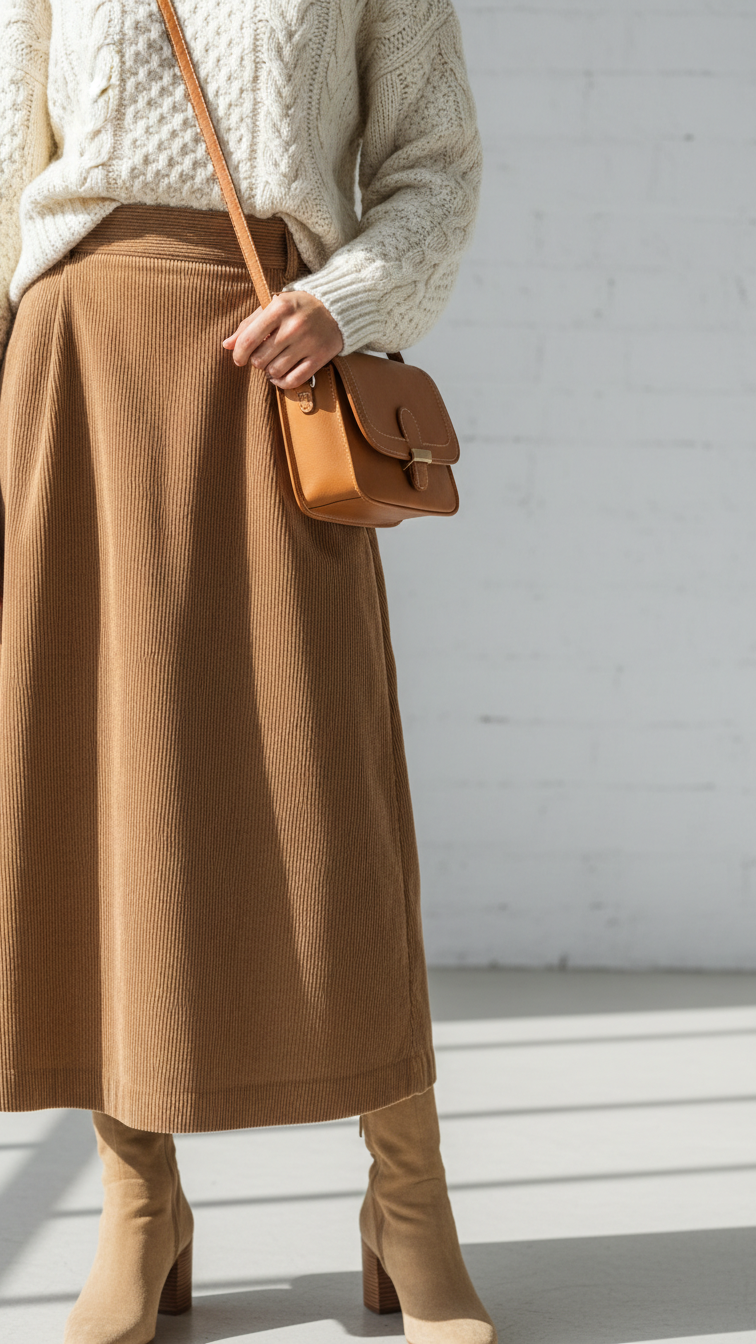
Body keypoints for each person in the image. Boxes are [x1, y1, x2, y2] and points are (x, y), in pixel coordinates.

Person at [0, 3, 495, 1343]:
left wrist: (350, 302)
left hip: (276, 357)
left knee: (328, 794)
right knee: (101, 783)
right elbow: (5, 150)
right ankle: (139, 1203)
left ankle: (410, 1201)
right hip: (77, 366)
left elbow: (433, 157)